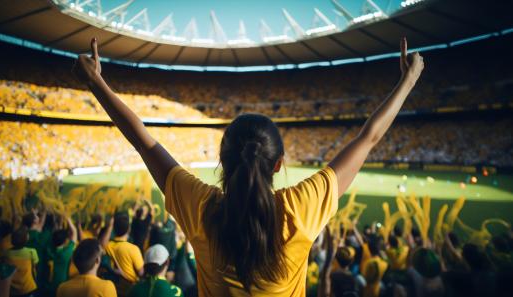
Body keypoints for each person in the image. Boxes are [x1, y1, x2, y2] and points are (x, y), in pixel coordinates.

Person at [72, 36, 424, 296]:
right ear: (279, 164)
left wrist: (96, 83)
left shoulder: (201, 208)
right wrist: (408, 81)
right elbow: (368, 139)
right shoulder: (300, 210)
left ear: (223, 161)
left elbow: (144, 141)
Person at [104, 212, 144, 295]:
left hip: (113, 288)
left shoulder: (108, 245)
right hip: (130, 290)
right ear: (129, 229)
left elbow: (102, 244)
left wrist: (110, 226)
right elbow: (141, 273)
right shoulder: (133, 249)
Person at [47, 216, 78, 294]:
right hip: (62, 285)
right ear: (65, 241)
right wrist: (68, 218)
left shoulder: (49, 249)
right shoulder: (65, 253)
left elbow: (55, 234)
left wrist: (59, 221)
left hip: (50, 285)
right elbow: (74, 232)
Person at [6, 227, 38, 297]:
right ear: (26, 239)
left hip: (12, 290)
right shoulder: (31, 252)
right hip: (28, 287)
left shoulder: (7, 253)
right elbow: (35, 267)